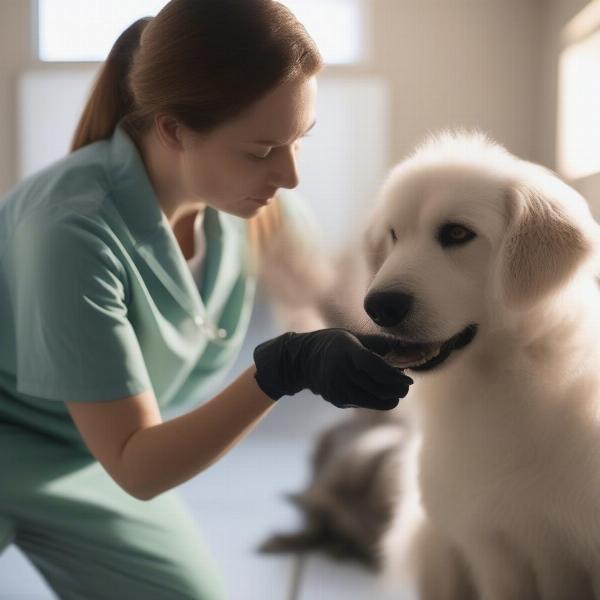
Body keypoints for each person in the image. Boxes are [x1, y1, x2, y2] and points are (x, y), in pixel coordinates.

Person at [0, 1, 413, 598]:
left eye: (300, 141)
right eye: (262, 150)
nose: (290, 175)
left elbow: (334, 305)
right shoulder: (70, 231)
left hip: (87, 457)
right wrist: (281, 370)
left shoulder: (251, 208)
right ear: (172, 129)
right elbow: (139, 467)